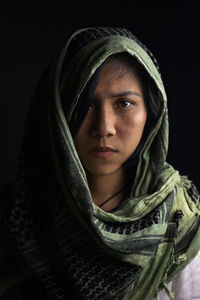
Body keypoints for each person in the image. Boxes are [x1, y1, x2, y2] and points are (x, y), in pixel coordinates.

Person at [0, 27, 200, 300]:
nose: (104, 128)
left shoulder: (180, 222)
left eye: (124, 103)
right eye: (86, 104)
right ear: (59, 113)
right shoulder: (14, 220)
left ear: (151, 114)